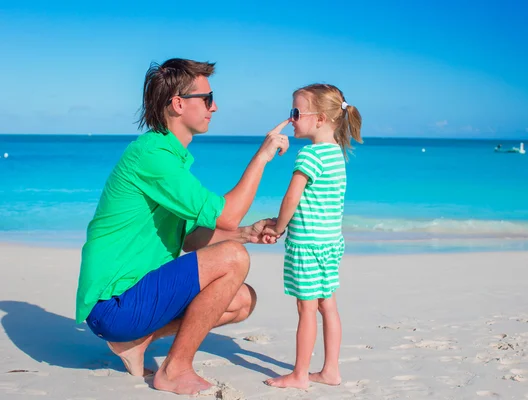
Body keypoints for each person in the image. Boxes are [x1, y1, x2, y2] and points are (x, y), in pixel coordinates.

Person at [75, 58, 290, 395]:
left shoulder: (169, 157)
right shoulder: (152, 156)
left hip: (135, 297)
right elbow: (227, 215)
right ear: (178, 104)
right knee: (233, 258)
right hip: (113, 305)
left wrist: (246, 233)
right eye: (207, 98)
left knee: (241, 300)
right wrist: (261, 157)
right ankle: (173, 370)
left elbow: (192, 239)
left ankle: (137, 341)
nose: (214, 107)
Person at [262, 83, 363, 389]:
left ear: (319, 119)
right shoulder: (337, 155)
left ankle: (299, 374)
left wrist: (278, 227)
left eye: (295, 112)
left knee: (306, 308)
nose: (291, 118)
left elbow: (291, 198)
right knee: (327, 305)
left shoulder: (310, 155)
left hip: (307, 245)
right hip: (331, 244)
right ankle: (330, 370)